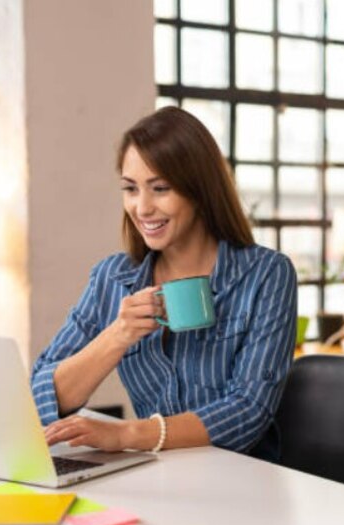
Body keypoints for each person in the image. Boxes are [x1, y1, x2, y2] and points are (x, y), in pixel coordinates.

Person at [30, 106, 297, 461]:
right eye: (130, 189)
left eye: (160, 188)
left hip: (244, 479)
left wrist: (128, 434)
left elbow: (248, 410)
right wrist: (118, 335)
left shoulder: (266, 274)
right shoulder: (112, 278)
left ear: (199, 191)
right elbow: (38, 398)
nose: (142, 208)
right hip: (160, 475)